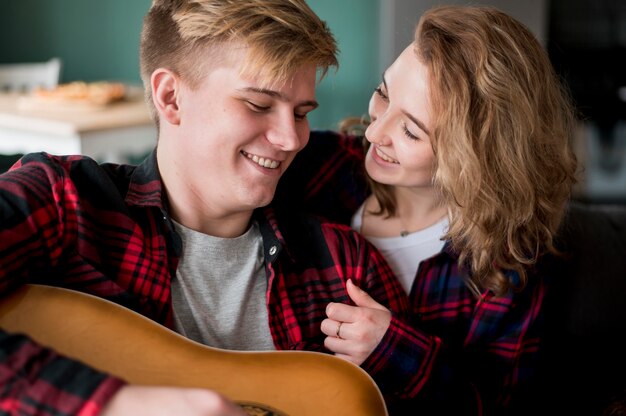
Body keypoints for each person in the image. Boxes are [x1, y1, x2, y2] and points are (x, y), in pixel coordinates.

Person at [0, 1, 410, 415]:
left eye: (301, 113)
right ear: (171, 97)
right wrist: (117, 403)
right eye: (259, 105)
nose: (291, 139)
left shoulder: (346, 270)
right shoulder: (64, 202)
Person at [276, 4, 579, 415]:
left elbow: (493, 406)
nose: (374, 131)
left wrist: (395, 349)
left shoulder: (508, 268)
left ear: (473, 157)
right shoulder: (320, 166)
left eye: (410, 130)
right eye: (383, 93)